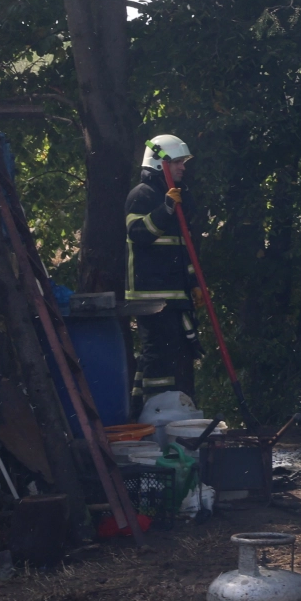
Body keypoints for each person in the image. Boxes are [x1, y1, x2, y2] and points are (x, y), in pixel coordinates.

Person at [126, 134, 199, 413]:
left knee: (177, 356)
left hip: (175, 293)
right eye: (177, 162)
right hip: (151, 296)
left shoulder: (178, 196)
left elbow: (182, 248)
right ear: (160, 163)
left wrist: (193, 283)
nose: (183, 167)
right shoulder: (141, 195)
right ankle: (155, 414)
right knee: (158, 357)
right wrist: (165, 209)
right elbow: (139, 233)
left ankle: (173, 411)